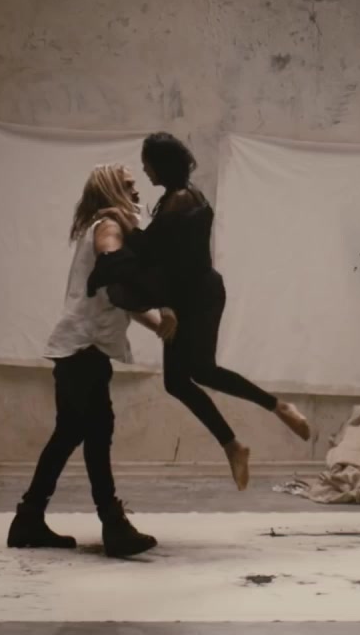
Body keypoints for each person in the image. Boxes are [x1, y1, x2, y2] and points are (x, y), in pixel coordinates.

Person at [87, 133, 311, 492]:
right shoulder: (172, 198)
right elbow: (157, 257)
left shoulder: (182, 199)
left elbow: (149, 252)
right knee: (177, 381)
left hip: (200, 296)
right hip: (184, 295)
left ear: (161, 164)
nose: (145, 171)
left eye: (147, 164)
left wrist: (117, 217)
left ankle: (276, 410)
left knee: (200, 371)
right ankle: (234, 445)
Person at [7, 164, 173, 558]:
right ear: (112, 189)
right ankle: (112, 525)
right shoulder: (108, 227)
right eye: (128, 186)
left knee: (71, 434)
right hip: (85, 350)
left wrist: (158, 325)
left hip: (80, 350)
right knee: (96, 433)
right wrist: (160, 299)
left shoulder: (104, 225)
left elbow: (117, 294)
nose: (136, 191)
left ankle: (30, 518)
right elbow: (116, 267)